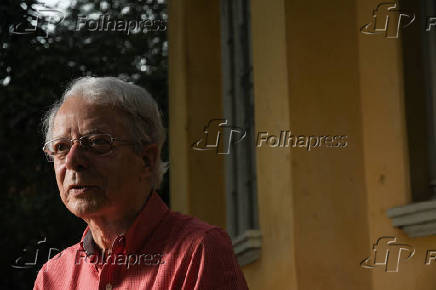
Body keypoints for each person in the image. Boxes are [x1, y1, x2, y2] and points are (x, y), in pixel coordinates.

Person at [34, 77, 248, 290]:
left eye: (98, 142)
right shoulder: (52, 278)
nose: (72, 161)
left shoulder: (198, 251)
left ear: (147, 159)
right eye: (61, 147)